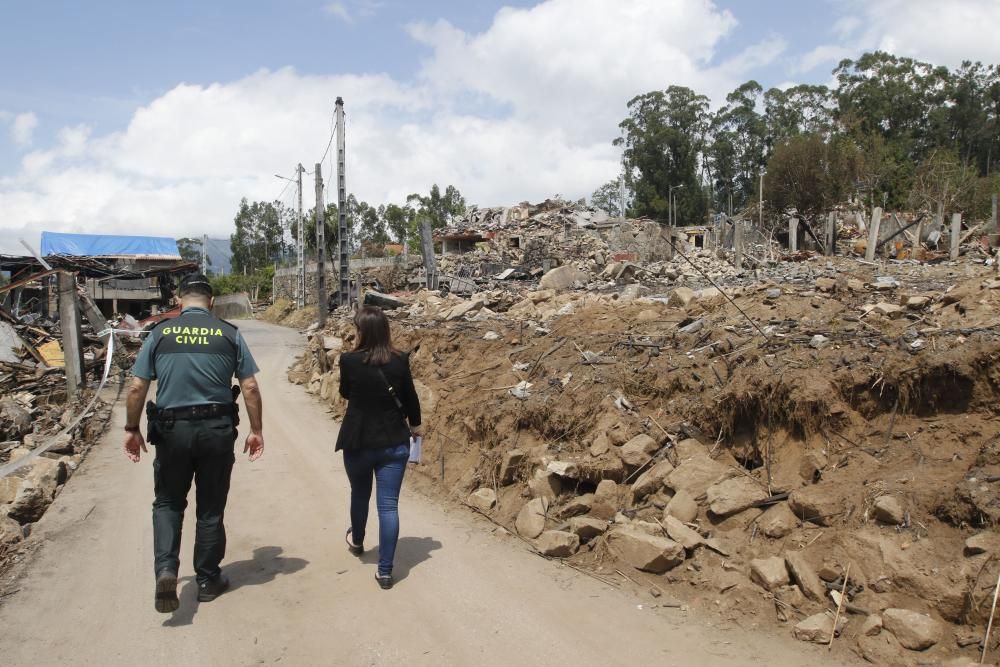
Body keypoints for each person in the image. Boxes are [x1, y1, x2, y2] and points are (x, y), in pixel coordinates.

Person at [123, 273, 264, 613]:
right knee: (210, 508)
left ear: (180, 302)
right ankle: (207, 580)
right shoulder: (229, 334)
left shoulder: (159, 334)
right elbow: (250, 388)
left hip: (172, 432)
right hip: (216, 430)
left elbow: (137, 387)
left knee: (168, 502)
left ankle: (167, 569)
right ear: (211, 302)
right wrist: (256, 429)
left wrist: (131, 428)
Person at [336, 305, 422, 590]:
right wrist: (416, 426)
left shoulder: (348, 361)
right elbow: (410, 398)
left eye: (356, 328)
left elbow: (346, 392)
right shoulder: (400, 360)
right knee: (389, 506)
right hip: (393, 442)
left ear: (363, 332)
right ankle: (385, 572)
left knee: (359, 494)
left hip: (358, 441)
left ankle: (358, 540)